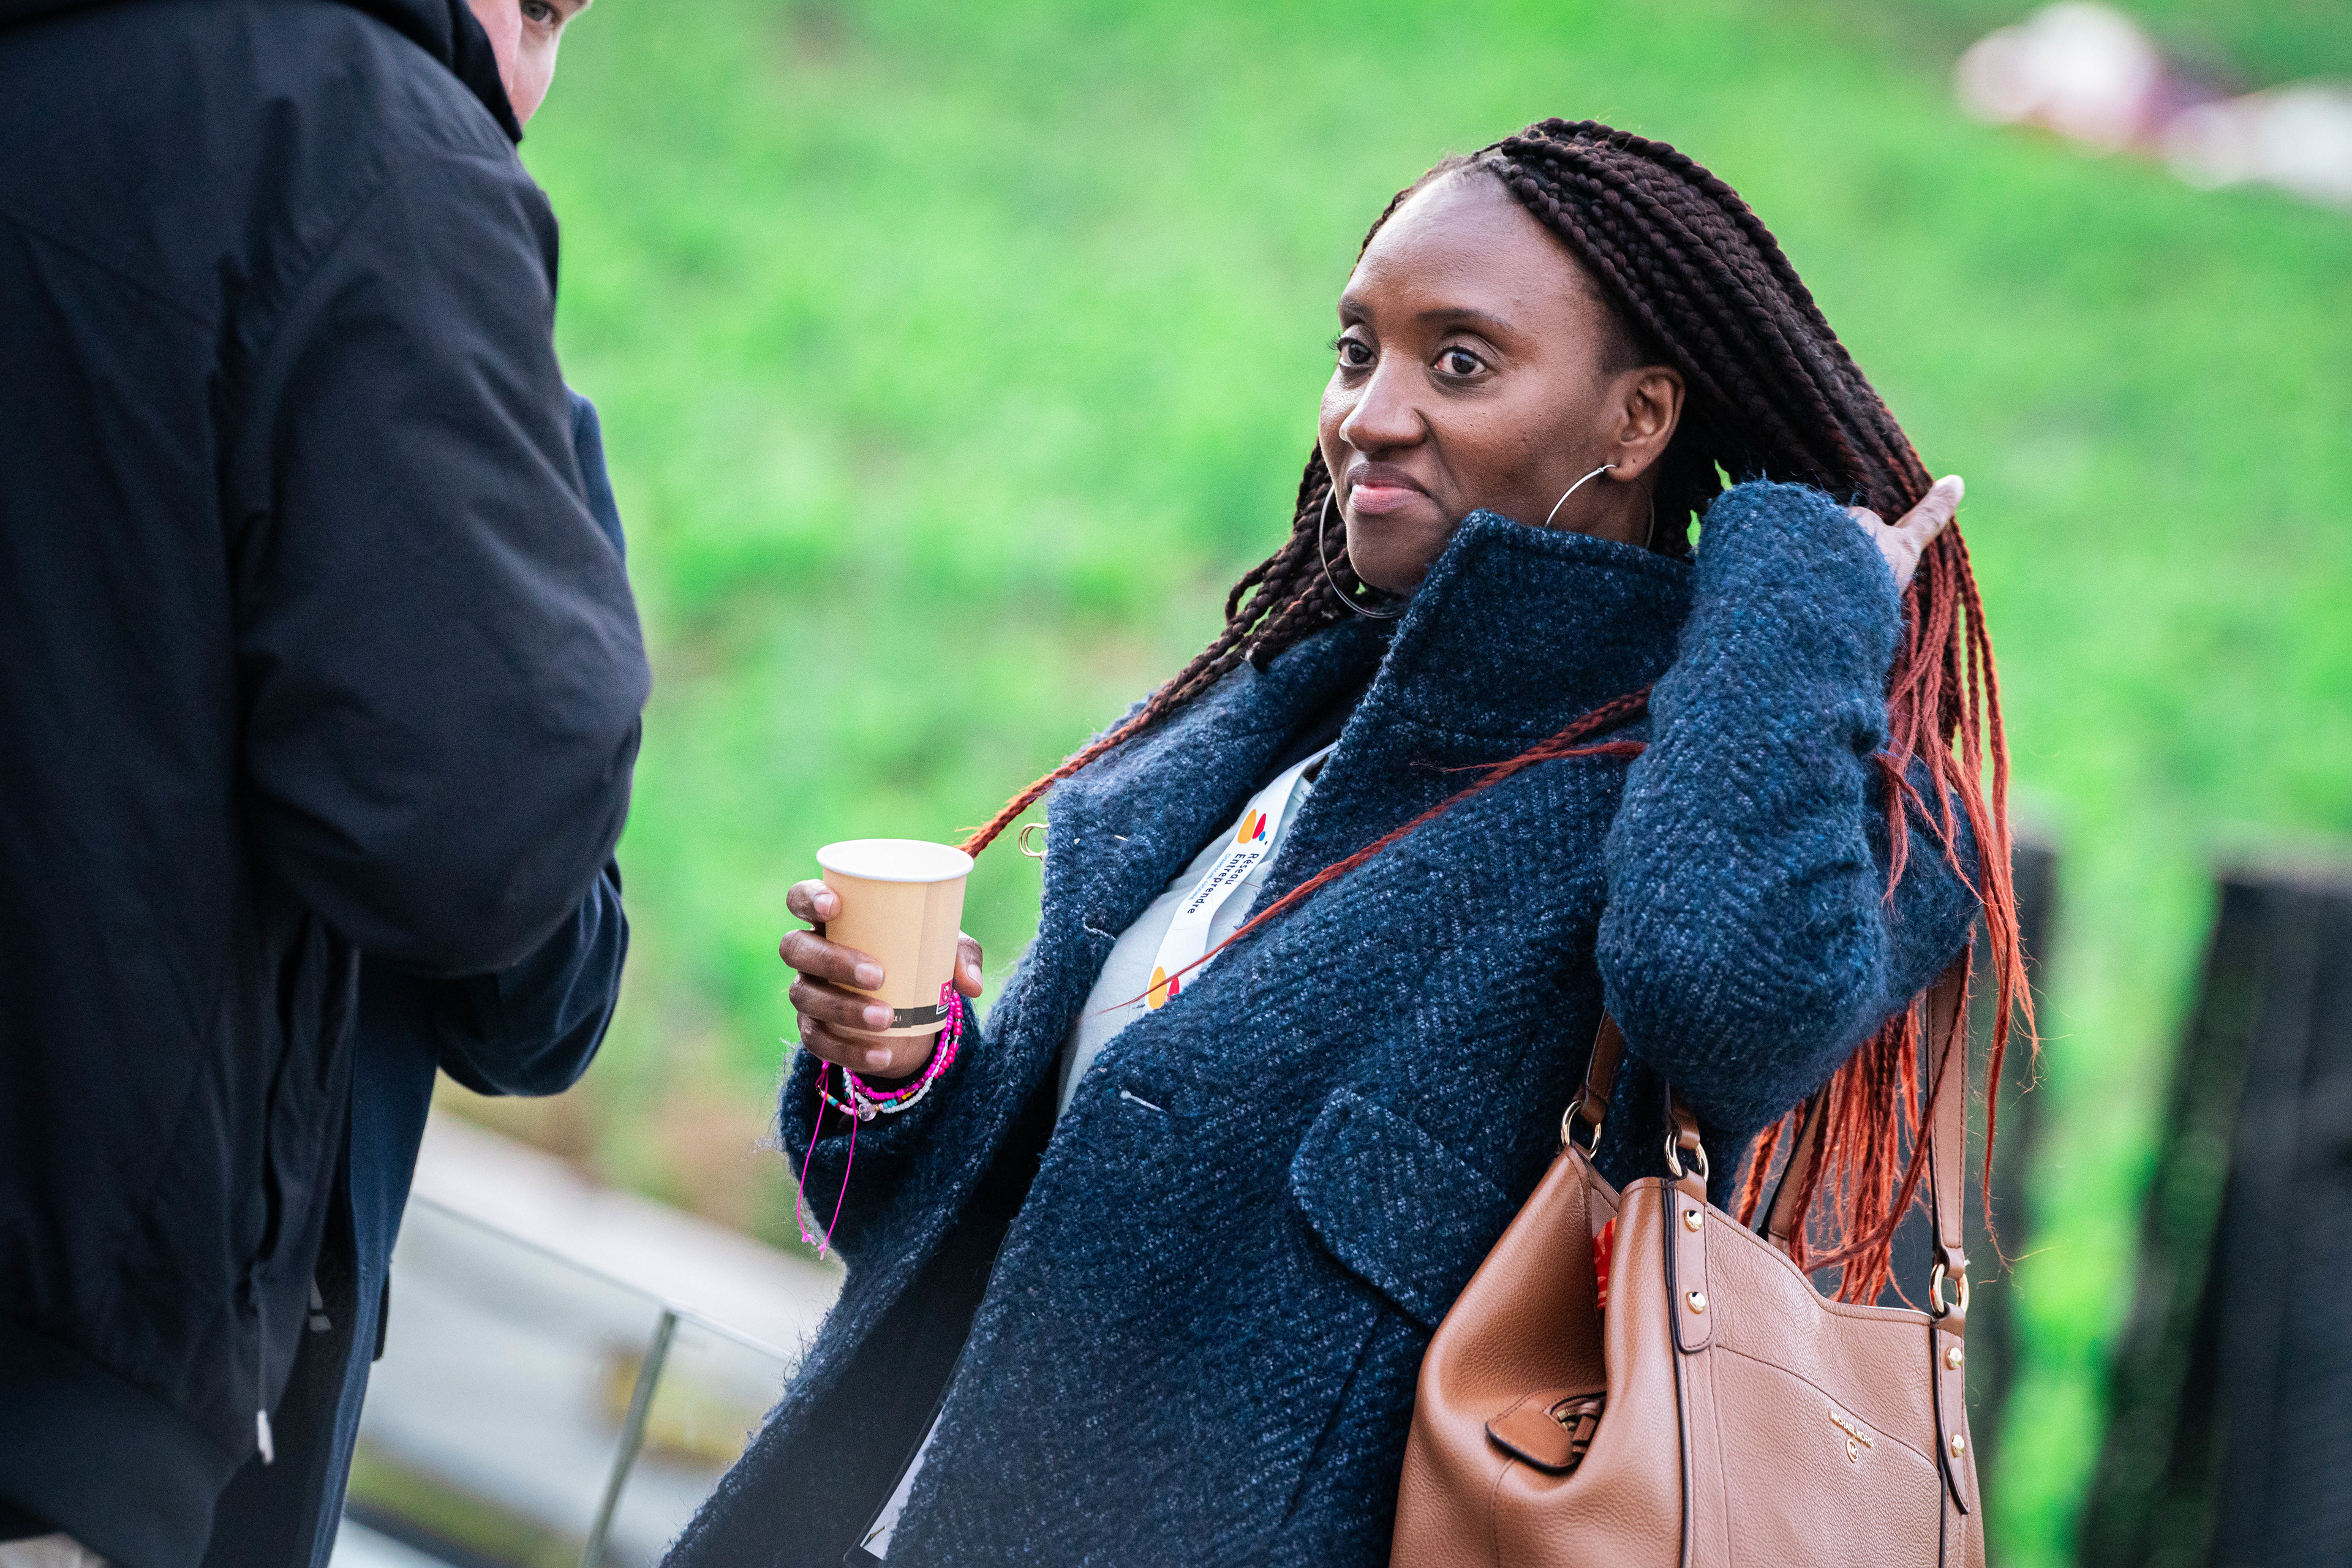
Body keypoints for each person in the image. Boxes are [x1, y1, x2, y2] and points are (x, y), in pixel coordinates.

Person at [671, 120, 2023, 1567]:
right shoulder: (1260, 732)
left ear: (1638, 420)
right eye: (1357, 350)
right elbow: (958, 1246)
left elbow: (1724, 995)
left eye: (1461, 361)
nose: (1371, 412)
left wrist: (1801, 587)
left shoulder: (1748, 801)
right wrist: (896, 1071)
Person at [0, 1, 646, 1566]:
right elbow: (508, 908)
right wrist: (553, 515)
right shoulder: (361, 155)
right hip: (79, 1401)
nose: (522, 85)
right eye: (538, 10)